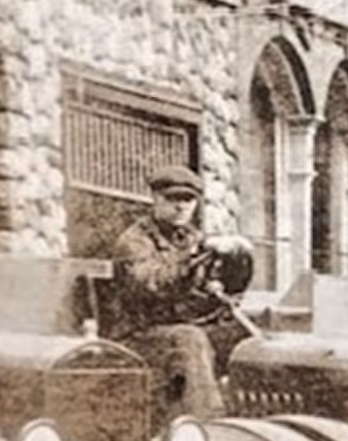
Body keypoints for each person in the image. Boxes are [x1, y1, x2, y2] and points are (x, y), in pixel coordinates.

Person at [76, 165, 249, 421]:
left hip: (178, 328)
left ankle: (253, 421)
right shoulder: (135, 241)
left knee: (244, 335)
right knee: (189, 339)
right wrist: (191, 261)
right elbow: (150, 285)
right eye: (172, 199)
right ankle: (208, 423)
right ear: (156, 199)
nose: (181, 207)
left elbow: (204, 286)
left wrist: (222, 283)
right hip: (135, 336)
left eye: (188, 200)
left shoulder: (191, 237)